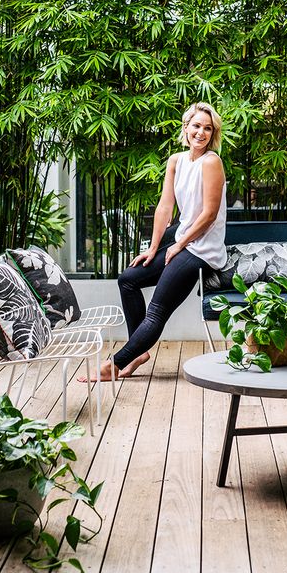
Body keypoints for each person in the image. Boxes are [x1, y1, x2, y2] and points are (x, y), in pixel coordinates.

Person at [80, 102, 227, 382]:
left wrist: (179, 243)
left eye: (208, 128)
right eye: (196, 126)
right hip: (183, 242)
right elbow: (164, 207)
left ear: (213, 133)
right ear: (186, 127)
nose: (201, 133)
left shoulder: (212, 162)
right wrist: (152, 247)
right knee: (128, 278)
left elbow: (208, 215)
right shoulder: (176, 160)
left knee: (158, 309)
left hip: (202, 250)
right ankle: (139, 351)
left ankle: (116, 363)